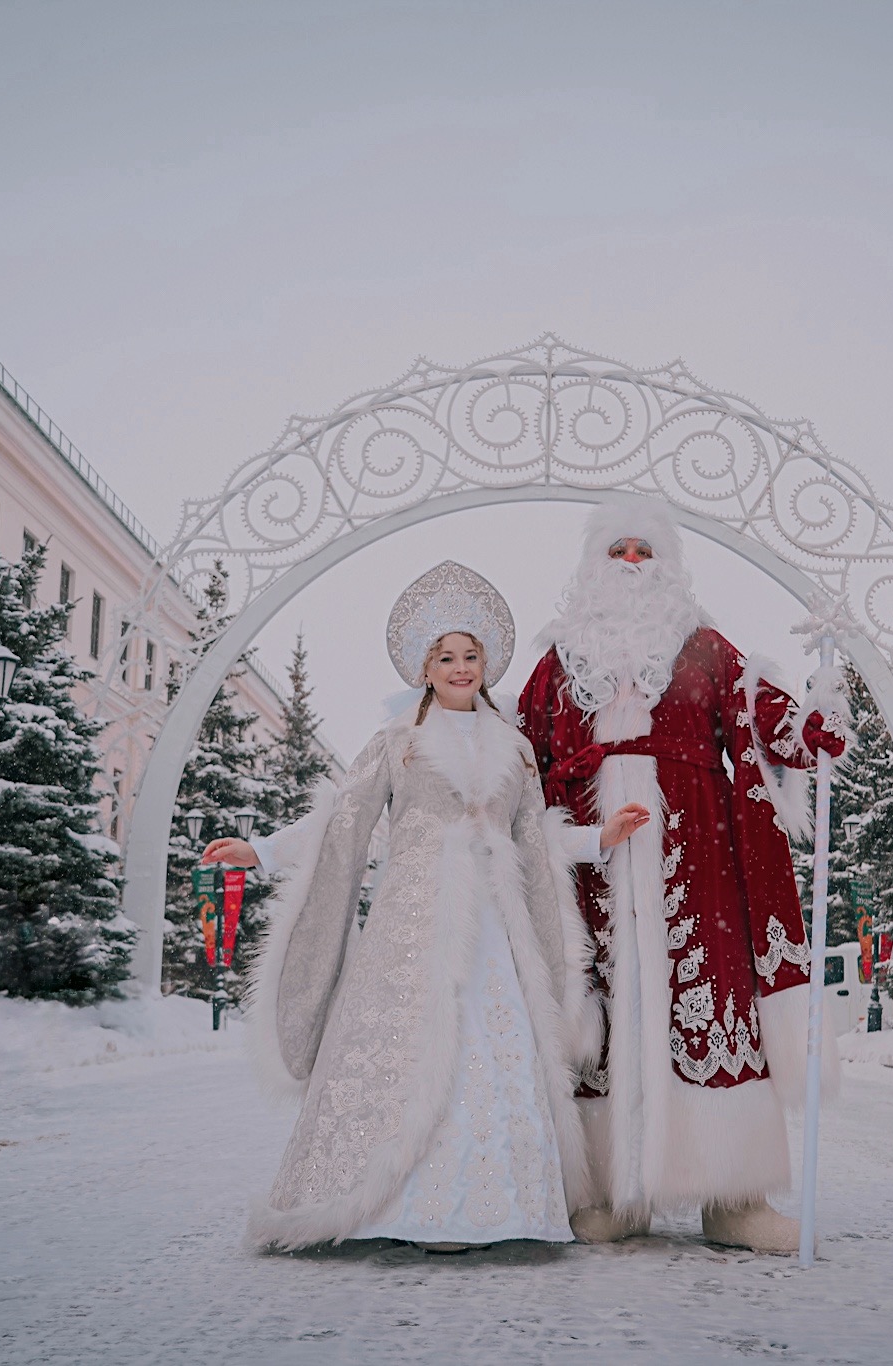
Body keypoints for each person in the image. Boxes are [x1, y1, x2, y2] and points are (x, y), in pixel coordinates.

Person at [207, 561, 648, 1253]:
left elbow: (532, 839)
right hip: (413, 926)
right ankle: (396, 1203)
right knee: (407, 1047)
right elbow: (342, 824)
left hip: (496, 934)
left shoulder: (514, 748)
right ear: (425, 667)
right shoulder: (397, 743)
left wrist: (600, 836)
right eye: (446, 656)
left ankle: (493, 1205)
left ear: (486, 664)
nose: (460, 667)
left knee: (492, 1042)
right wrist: (260, 851)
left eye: (471, 655)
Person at [517, 499, 847, 1254]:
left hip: (696, 854)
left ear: (667, 565)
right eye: (618, 550)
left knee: (714, 990)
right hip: (593, 866)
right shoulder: (557, 662)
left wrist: (809, 724)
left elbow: (760, 715)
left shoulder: (703, 648)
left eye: (645, 550)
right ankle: (609, 1195)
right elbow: (519, 761)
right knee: (600, 1002)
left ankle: (734, 1198)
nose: (632, 562)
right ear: (592, 566)